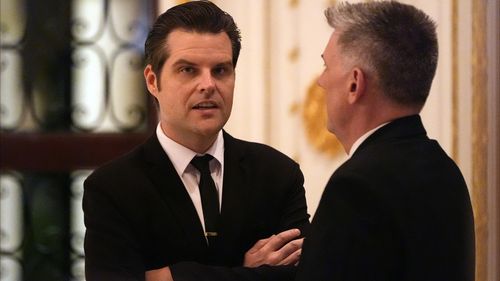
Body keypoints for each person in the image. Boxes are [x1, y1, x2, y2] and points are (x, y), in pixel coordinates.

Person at [82, 1, 309, 281]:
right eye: (188, 70)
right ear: (153, 80)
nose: (208, 85)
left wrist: (172, 276)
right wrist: (247, 272)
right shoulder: (112, 188)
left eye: (221, 70)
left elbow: (304, 276)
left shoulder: (278, 174)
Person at [295, 1, 475, 281]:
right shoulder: (446, 171)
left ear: (355, 84)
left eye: (326, 65)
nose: (321, 81)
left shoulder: (355, 187)